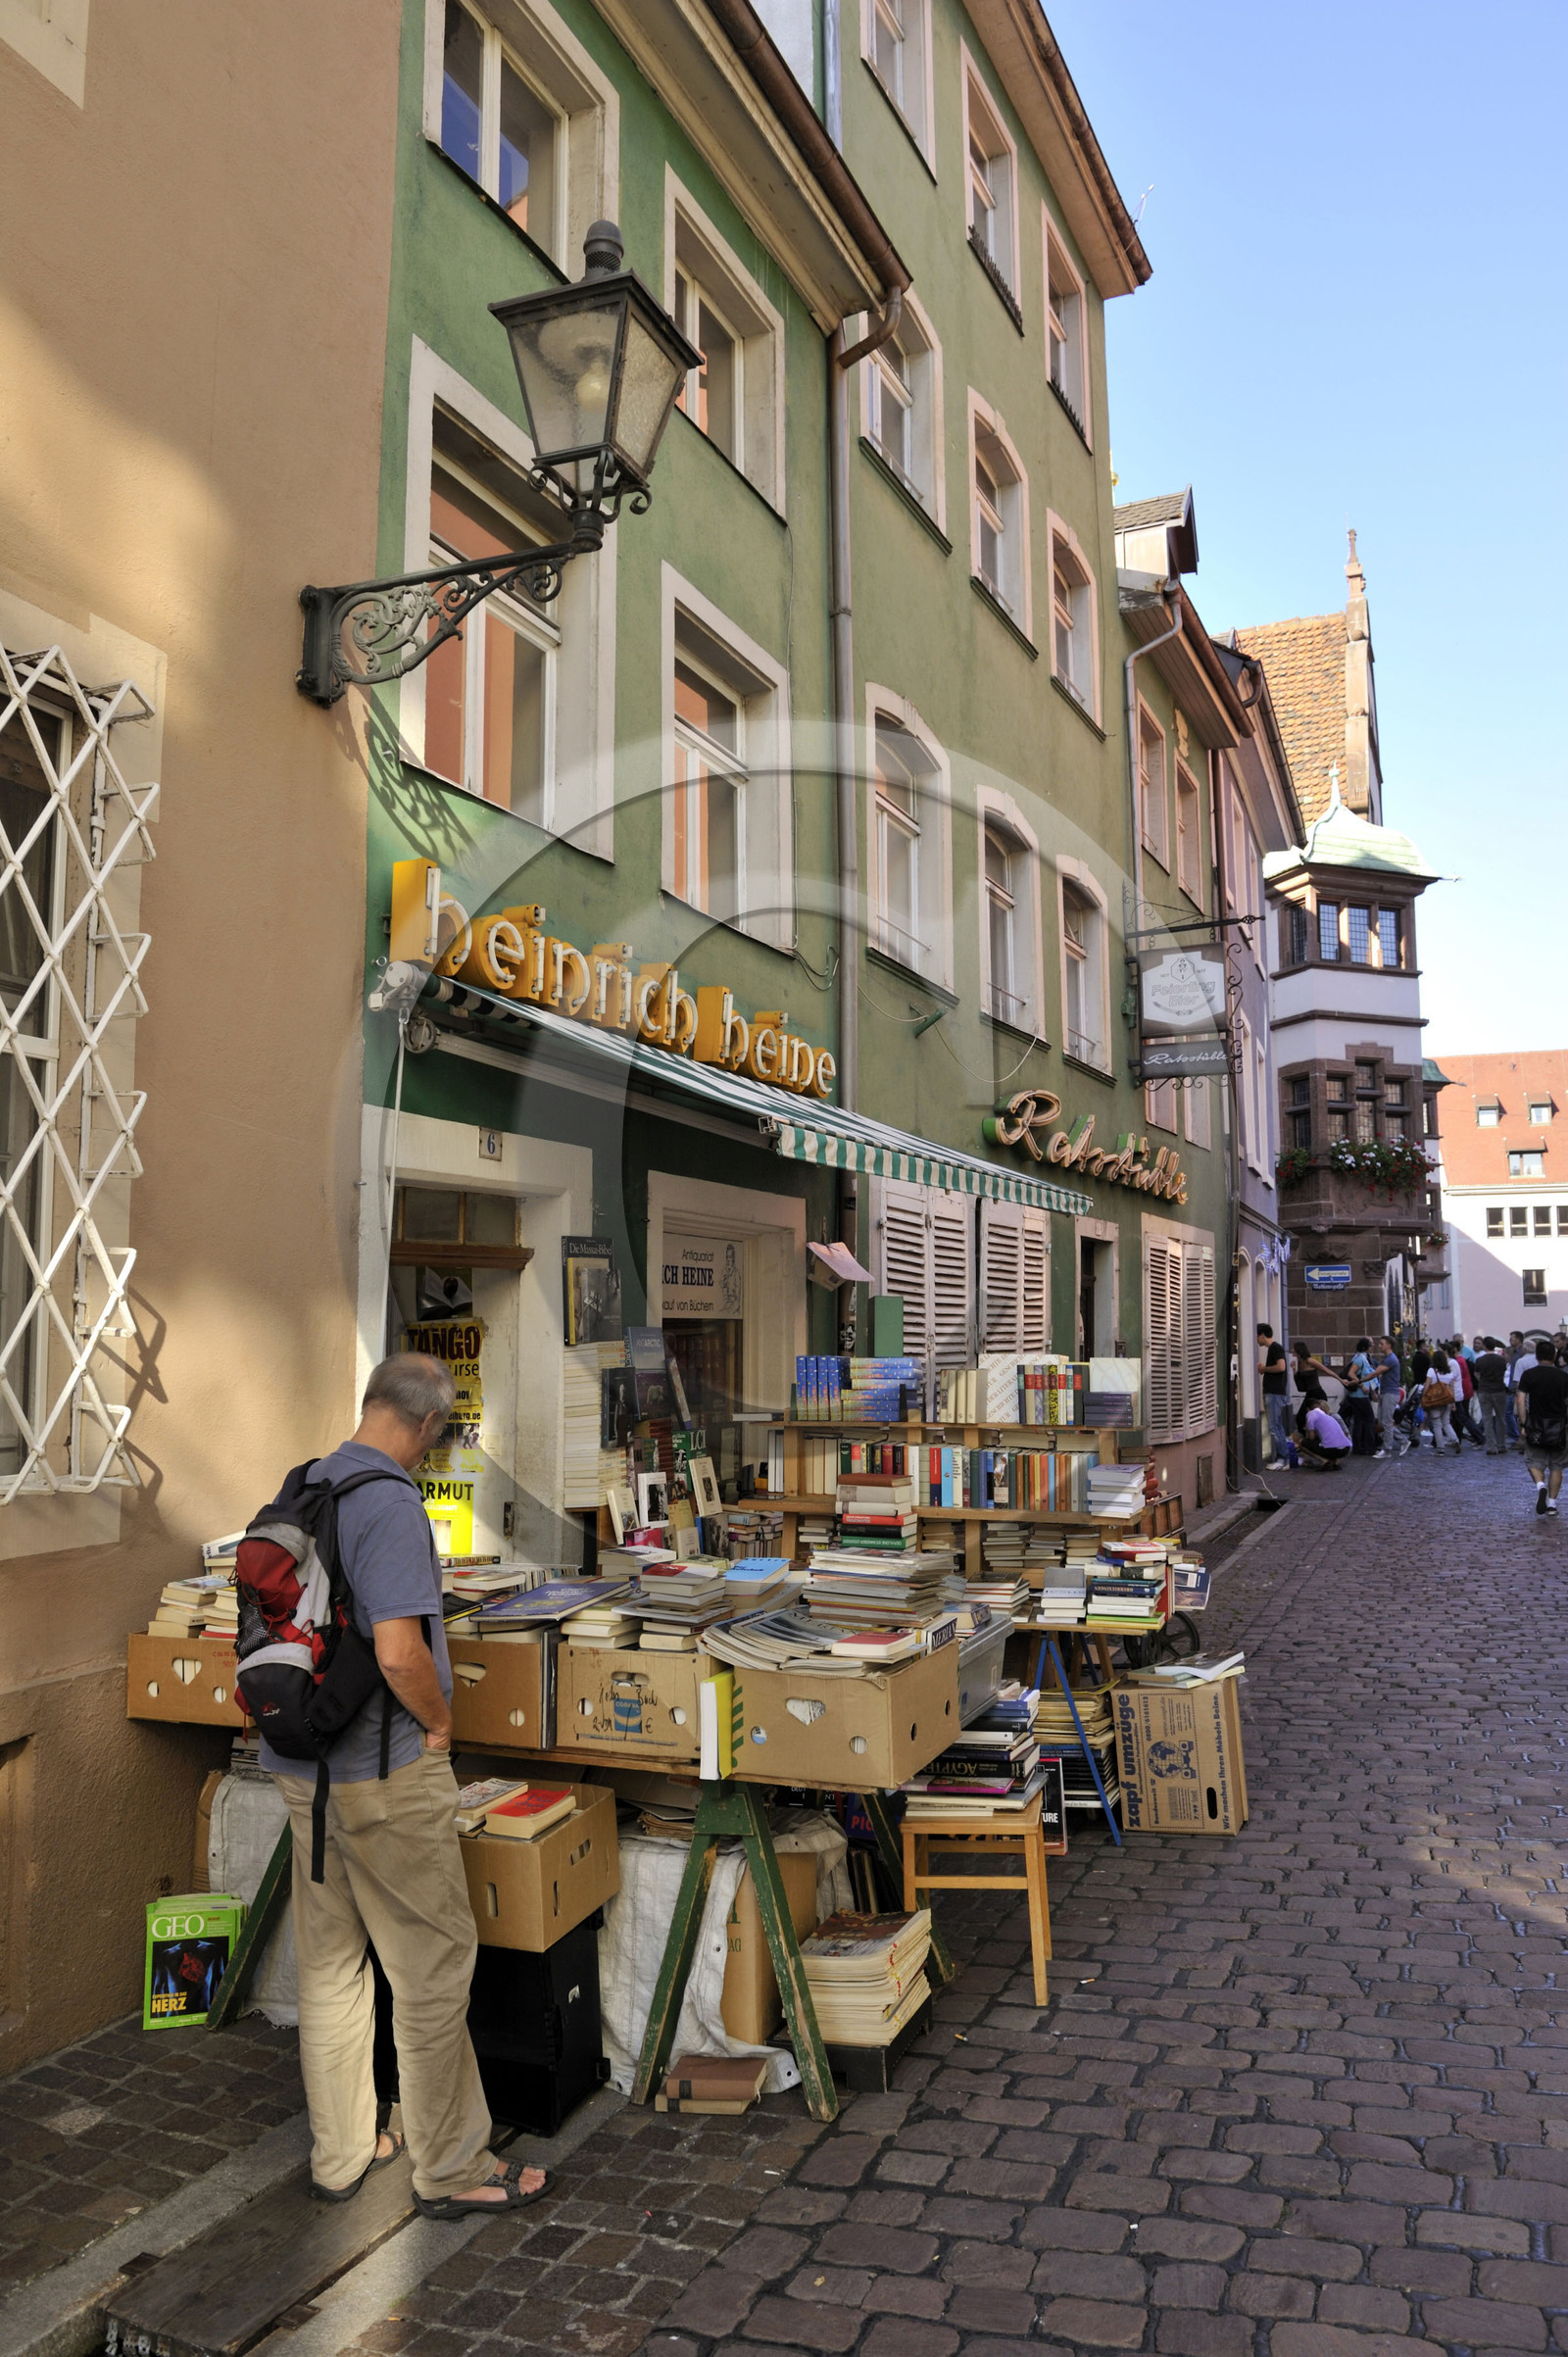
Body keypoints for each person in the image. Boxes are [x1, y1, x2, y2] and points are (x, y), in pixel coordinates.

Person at [264, 1354, 547, 2219]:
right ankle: (454, 2164)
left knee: (332, 1966)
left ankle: (343, 2151)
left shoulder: (305, 1483)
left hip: (304, 1773)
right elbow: (397, 1650)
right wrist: (438, 1725)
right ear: (426, 1427)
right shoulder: (388, 1501)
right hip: (383, 1774)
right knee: (430, 1964)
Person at [1519, 1339, 1568, 1516]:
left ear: (1537, 1356)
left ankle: (1541, 1486)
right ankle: (1552, 1505)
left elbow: (1520, 1399)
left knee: (1533, 1461)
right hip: (1559, 1426)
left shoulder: (1529, 1375)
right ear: (1554, 1356)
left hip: (1536, 1425)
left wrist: (1523, 1423)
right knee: (1557, 1466)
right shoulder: (1563, 1377)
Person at [1257, 1324, 1292, 1467]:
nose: (1256, 1340)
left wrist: (1264, 1369)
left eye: (1257, 1336)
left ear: (1263, 1335)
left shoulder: (1275, 1348)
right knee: (1276, 1425)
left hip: (1274, 1393)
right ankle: (1283, 1458)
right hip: (1275, 1392)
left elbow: (1281, 1367)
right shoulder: (1274, 1348)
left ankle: (1282, 1459)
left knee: (1274, 1426)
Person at [1472, 1337, 1511, 1454]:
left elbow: (1476, 1374)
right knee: (1501, 1419)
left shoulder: (1480, 1360)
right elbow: (1503, 1373)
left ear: (1484, 1346)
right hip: (1499, 1390)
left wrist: (1482, 1380)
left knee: (1487, 1419)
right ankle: (1502, 1445)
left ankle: (1491, 1446)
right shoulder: (1501, 1360)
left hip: (1484, 1390)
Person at [1342, 1339, 1379, 1456]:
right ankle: (1370, 1447)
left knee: (1359, 1421)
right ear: (1366, 1347)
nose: (1373, 1346)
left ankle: (1358, 1448)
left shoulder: (1360, 1357)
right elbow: (1351, 1374)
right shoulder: (1360, 1359)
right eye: (1371, 1345)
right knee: (1369, 1420)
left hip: (1357, 1395)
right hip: (1359, 1395)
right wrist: (1362, 1385)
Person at [1421, 1349, 1461, 1453]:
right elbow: (1451, 1388)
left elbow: (1427, 1386)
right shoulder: (1449, 1372)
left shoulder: (1431, 1371)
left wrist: (1423, 1397)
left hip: (1435, 1401)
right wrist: (1453, 1402)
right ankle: (1455, 1440)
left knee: (1437, 1424)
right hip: (1447, 1400)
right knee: (1446, 1423)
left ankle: (1440, 1448)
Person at [1298, 1399, 1352, 1470]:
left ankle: (1324, 1460)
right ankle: (1333, 1462)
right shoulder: (1328, 1416)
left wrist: (1308, 1429)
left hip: (1333, 1449)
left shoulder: (1311, 1414)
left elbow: (1311, 1438)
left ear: (1308, 1409)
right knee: (1326, 1442)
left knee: (1302, 1442)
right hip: (1345, 1449)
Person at [1371, 1336, 1402, 1458]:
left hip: (1390, 1393)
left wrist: (1361, 1380)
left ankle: (1387, 1449)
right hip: (1385, 1392)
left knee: (1387, 1422)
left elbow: (1376, 1372)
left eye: (1381, 1343)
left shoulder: (1391, 1359)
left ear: (1389, 1345)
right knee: (1383, 1422)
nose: (1379, 1346)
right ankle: (1403, 1441)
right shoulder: (1387, 1358)